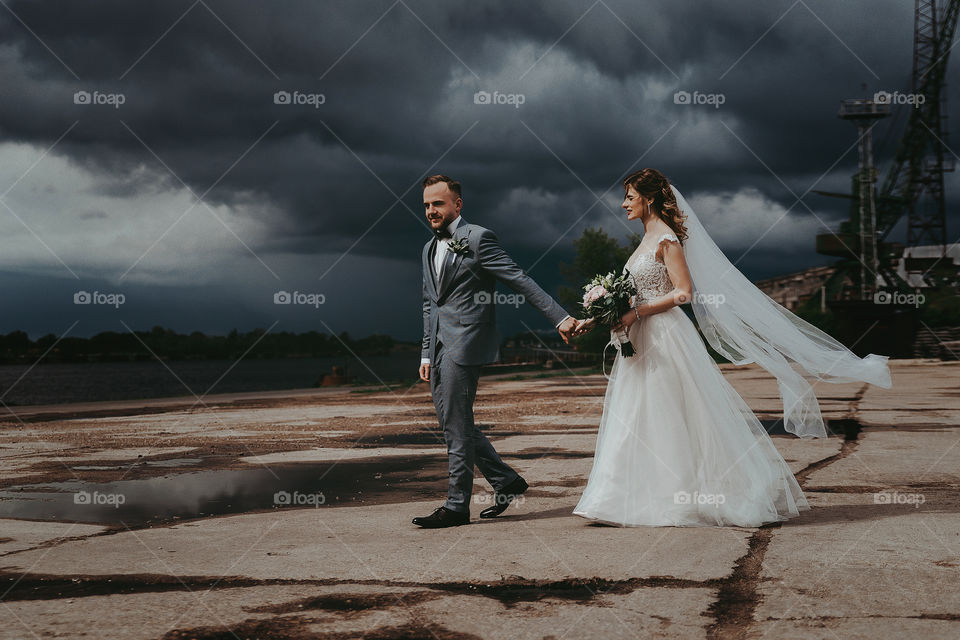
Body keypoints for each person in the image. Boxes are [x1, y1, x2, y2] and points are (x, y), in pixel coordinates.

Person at [571, 168, 892, 527]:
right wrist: (596, 317)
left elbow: (683, 293)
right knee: (635, 413)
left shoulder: (667, 241)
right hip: (641, 335)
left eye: (629, 196)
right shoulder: (645, 241)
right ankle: (618, 499)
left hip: (664, 336)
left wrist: (637, 313)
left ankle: (678, 498)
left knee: (670, 412)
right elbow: (630, 296)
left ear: (648, 198)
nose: (623, 203)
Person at [413, 174, 578, 528]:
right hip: (439, 347)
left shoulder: (478, 239)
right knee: (453, 422)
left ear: (457, 204)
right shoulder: (428, 249)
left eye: (438, 203)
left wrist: (559, 317)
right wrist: (426, 353)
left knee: (456, 425)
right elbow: (430, 304)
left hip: (467, 342)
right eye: (426, 204)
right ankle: (506, 481)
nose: (431, 211)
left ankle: (457, 506)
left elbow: (519, 279)